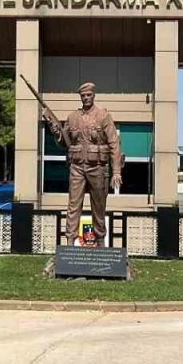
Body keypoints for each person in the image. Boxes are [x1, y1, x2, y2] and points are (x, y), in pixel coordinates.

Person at [42, 82, 122, 246]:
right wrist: (54, 127)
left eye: (89, 95)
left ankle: (100, 242)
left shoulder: (103, 116)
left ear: (94, 95)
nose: (86, 98)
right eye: (83, 95)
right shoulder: (73, 117)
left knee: (99, 206)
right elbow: (63, 142)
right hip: (77, 167)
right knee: (73, 205)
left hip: (97, 167)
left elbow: (114, 144)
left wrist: (116, 171)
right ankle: (69, 242)